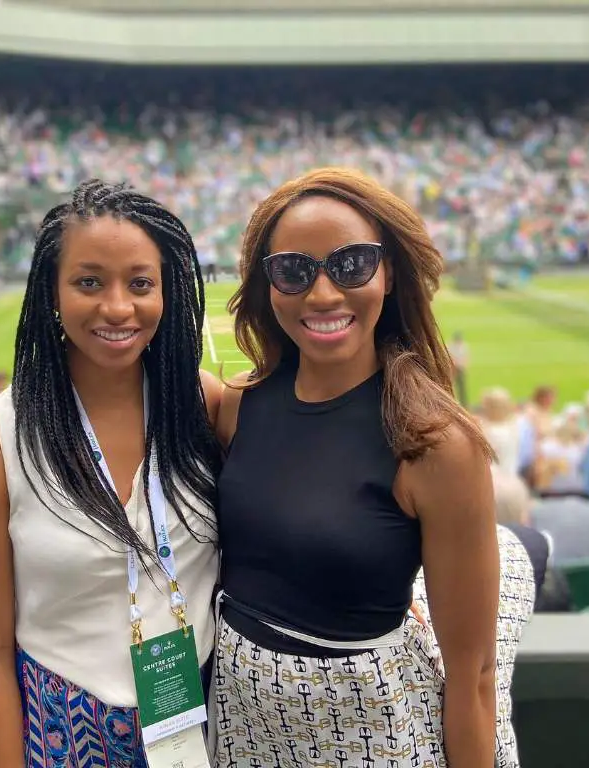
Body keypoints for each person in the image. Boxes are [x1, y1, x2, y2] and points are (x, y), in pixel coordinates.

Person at [214, 168, 501, 768]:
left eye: (351, 265)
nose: (321, 294)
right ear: (266, 285)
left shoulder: (436, 446)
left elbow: (473, 675)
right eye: (292, 270)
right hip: (240, 733)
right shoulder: (236, 409)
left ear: (389, 272)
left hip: (373, 739)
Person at [0, 179, 223, 767]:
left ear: (168, 293)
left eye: (141, 283)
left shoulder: (208, 410)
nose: (118, 307)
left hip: (206, 730)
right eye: (89, 282)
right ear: (52, 290)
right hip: (62, 736)